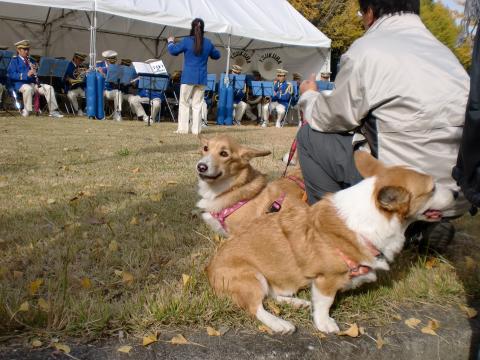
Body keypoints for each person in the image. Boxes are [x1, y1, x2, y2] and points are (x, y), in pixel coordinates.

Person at [296, 0, 469, 249]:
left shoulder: (367, 50)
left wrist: (309, 96)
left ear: (370, 12)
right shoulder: (445, 53)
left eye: (361, 14)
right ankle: (422, 227)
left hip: (400, 192)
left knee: (310, 137)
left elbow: (330, 118)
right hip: (455, 196)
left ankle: (331, 229)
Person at [167, 18, 221, 134]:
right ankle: (196, 130)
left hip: (188, 78)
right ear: (203, 29)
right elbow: (217, 55)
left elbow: (173, 51)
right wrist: (211, 48)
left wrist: (171, 41)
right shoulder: (208, 42)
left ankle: (183, 129)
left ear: (192, 28)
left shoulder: (186, 41)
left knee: (184, 103)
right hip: (201, 78)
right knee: (197, 104)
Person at [7, 40, 63, 118]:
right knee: (28, 88)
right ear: (18, 50)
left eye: (28, 49)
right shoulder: (14, 61)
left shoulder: (31, 60)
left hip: (33, 84)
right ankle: (27, 110)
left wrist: (37, 72)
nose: (27, 51)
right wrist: (26, 75)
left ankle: (53, 111)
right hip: (20, 84)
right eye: (24, 49)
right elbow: (11, 75)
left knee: (49, 88)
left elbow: (36, 75)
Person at [128, 59, 165, 123]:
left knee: (156, 104)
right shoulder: (142, 75)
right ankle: (144, 117)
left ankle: (152, 118)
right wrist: (132, 81)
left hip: (155, 97)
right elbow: (134, 85)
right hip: (143, 96)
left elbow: (165, 86)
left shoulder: (161, 76)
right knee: (132, 99)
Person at [97, 50, 123, 121]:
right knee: (99, 94)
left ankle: (117, 113)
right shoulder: (99, 65)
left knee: (118, 93)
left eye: (114, 61)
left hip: (109, 90)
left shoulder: (116, 67)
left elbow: (118, 80)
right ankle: (100, 114)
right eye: (111, 61)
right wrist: (101, 73)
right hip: (101, 89)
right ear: (106, 59)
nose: (113, 62)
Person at [65, 52, 87, 116]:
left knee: (87, 94)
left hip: (80, 87)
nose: (81, 62)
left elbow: (83, 80)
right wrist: (72, 80)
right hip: (70, 88)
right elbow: (66, 78)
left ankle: (84, 109)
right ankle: (77, 110)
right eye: (80, 60)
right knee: (71, 95)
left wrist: (85, 75)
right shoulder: (68, 65)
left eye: (82, 60)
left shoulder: (81, 67)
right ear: (75, 58)